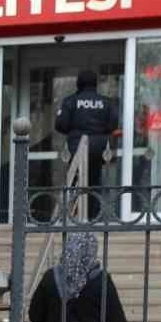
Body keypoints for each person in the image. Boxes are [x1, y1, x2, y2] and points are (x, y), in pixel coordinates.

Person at [54, 69, 119, 220]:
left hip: (77, 148)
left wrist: (74, 130)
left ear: (79, 83)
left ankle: (69, 218)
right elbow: (112, 125)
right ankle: (93, 218)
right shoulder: (106, 102)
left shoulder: (71, 101)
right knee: (94, 183)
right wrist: (99, 132)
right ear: (95, 84)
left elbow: (61, 125)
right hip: (99, 148)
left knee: (74, 182)